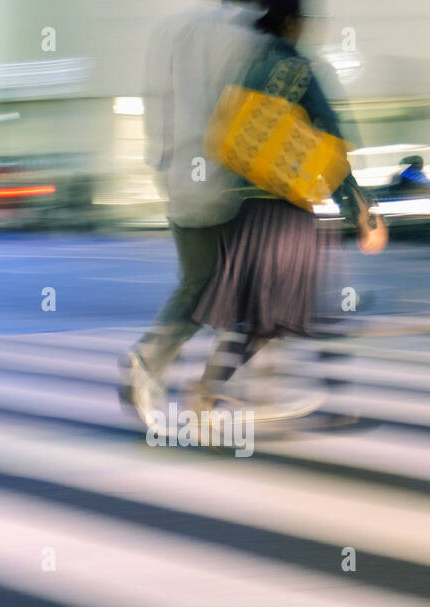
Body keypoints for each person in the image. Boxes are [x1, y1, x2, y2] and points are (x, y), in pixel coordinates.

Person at [187, 0, 387, 415]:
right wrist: (361, 214)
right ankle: (210, 392)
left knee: (263, 316)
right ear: (292, 23)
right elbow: (331, 150)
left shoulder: (249, 69)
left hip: (246, 210)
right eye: (307, 21)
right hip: (286, 209)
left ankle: (220, 390)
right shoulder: (299, 72)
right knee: (284, 314)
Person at [119, 0, 267, 424]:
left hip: (179, 179)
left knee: (198, 285)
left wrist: (163, 165)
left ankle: (147, 362)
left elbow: (156, 105)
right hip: (233, 183)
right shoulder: (253, 36)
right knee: (257, 292)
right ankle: (213, 394)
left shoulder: (172, 28)